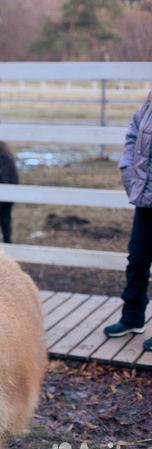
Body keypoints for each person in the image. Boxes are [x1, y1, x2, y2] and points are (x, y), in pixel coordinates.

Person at [103, 92, 152, 351]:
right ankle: (133, 318)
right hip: (146, 199)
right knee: (137, 259)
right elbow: (134, 133)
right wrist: (127, 169)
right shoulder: (150, 100)